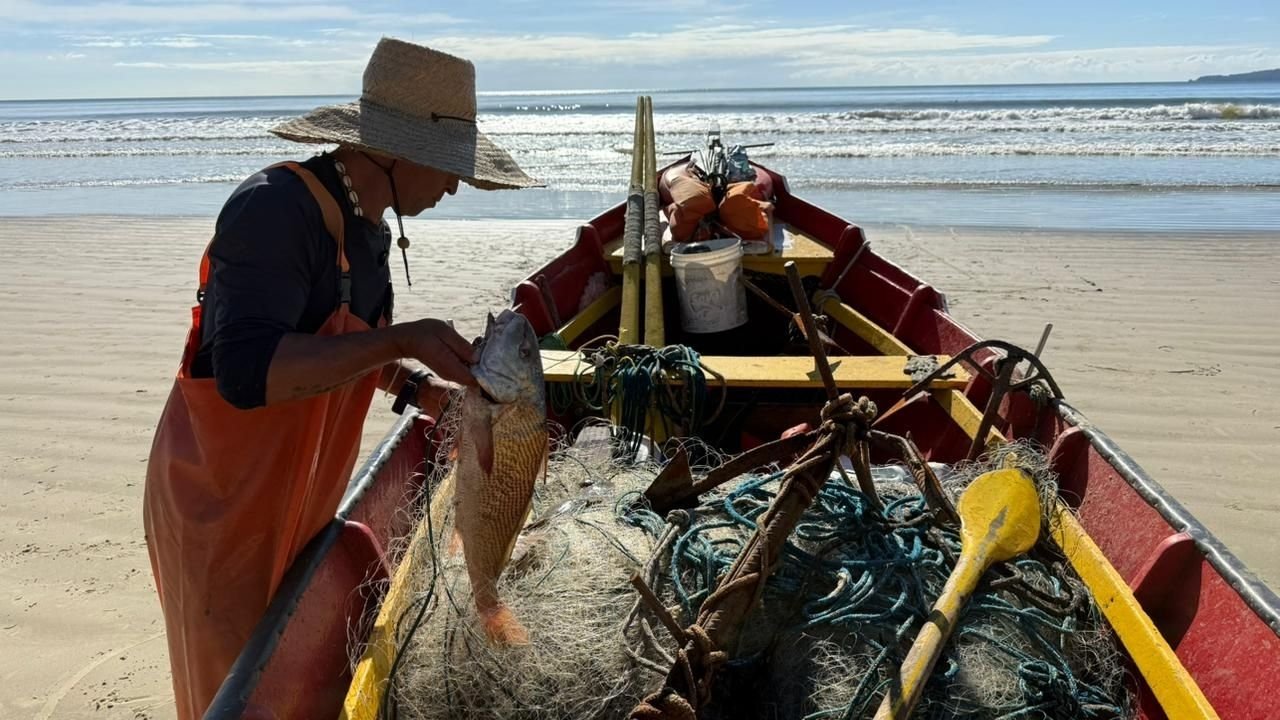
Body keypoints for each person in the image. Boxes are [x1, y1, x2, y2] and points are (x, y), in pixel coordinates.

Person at [142, 37, 538, 719]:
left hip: (302, 496)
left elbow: (344, 346)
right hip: (220, 508)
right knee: (229, 689)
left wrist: (416, 388)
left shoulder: (369, 228)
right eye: (450, 167)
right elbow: (247, 372)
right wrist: (404, 338)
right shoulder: (272, 210)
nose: (453, 186)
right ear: (399, 150)